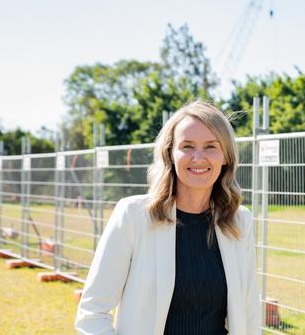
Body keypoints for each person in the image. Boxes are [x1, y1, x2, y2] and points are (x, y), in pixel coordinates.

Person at [75, 100, 261, 335]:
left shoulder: (239, 222)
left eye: (211, 146)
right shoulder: (133, 216)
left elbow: (250, 312)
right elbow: (92, 314)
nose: (198, 157)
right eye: (187, 146)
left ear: (225, 156)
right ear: (170, 154)